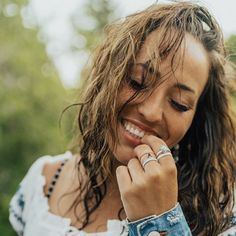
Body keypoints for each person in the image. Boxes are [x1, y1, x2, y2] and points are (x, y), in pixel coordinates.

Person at [9, 1, 236, 236]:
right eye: (137, 81)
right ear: (110, 77)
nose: (151, 112)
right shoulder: (44, 180)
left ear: (196, 120)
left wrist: (161, 221)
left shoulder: (221, 216)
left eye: (178, 103)